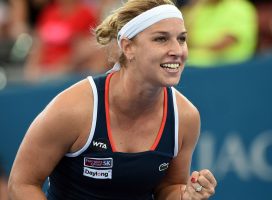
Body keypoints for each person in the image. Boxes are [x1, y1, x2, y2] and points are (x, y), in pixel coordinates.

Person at [8, 0, 217, 199]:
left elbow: (168, 187)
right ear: (128, 47)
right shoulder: (73, 109)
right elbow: (22, 183)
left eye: (181, 39)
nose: (177, 51)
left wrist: (186, 195)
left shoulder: (186, 117)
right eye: (161, 39)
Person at [181, 0, 258, 67]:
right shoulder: (198, 9)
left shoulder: (240, 7)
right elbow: (184, 40)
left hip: (230, 67)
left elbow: (224, 44)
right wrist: (191, 11)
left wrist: (195, 49)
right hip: (194, 65)